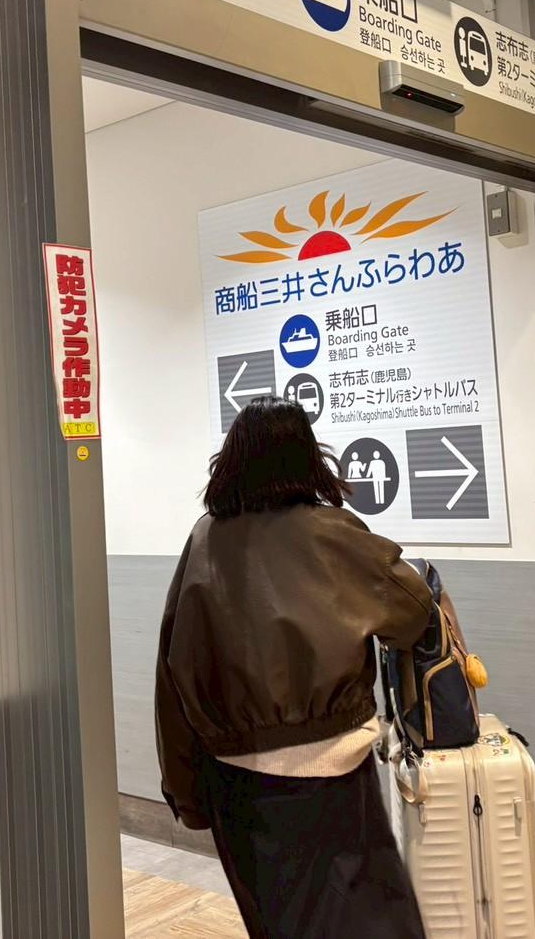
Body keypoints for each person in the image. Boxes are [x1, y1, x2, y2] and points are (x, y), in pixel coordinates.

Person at [155, 397, 433, 938]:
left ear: (231, 461)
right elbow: (413, 611)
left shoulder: (204, 541)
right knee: (372, 921)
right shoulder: (333, 533)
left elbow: (175, 676)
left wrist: (185, 793)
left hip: (235, 778)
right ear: (309, 458)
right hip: (334, 772)